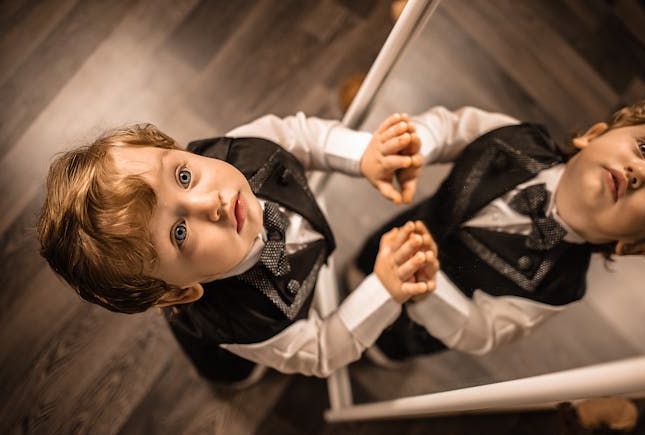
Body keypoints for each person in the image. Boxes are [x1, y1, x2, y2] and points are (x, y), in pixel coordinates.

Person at [38, 112, 438, 386]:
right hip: (235, 342)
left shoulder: (243, 150)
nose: (206, 202)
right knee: (232, 369)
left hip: (299, 264)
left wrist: (360, 153)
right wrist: (381, 292)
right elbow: (318, 350)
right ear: (180, 291)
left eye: (183, 175)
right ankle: (232, 375)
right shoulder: (241, 323)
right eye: (179, 233)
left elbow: (301, 136)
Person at [354, 101, 645, 360]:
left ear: (635, 246)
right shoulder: (512, 137)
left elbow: (483, 332)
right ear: (593, 134)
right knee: (357, 273)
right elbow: (452, 126)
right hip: (388, 243)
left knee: (373, 345)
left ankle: (373, 352)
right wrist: (416, 142)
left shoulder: (556, 289)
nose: (642, 172)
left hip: (410, 325)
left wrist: (428, 292)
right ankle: (354, 274)